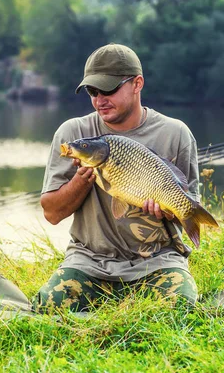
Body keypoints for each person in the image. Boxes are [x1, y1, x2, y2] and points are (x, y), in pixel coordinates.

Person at [33, 43, 201, 312]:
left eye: (108, 89)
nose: (100, 100)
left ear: (137, 84)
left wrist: (166, 211)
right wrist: (82, 178)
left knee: (181, 308)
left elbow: (187, 207)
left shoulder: (176, 134)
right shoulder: (75, 134)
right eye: (92, 91)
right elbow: (51, 214)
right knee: (49, 306)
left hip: (157, 260)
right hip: (89, 260)